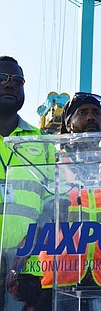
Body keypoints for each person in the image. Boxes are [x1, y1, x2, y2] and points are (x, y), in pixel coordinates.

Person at [38, 92, 101, 311]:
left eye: (96, 113)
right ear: (68, 123)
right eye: (83, 112)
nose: (91, 118)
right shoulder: (53, 162)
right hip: (60, 277)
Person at [0, 55, 55, 311]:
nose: (9, 84)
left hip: (27, 275)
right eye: (2, 78)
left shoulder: (43, 143)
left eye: (17, 80)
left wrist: (20, 260)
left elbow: (54, 206)